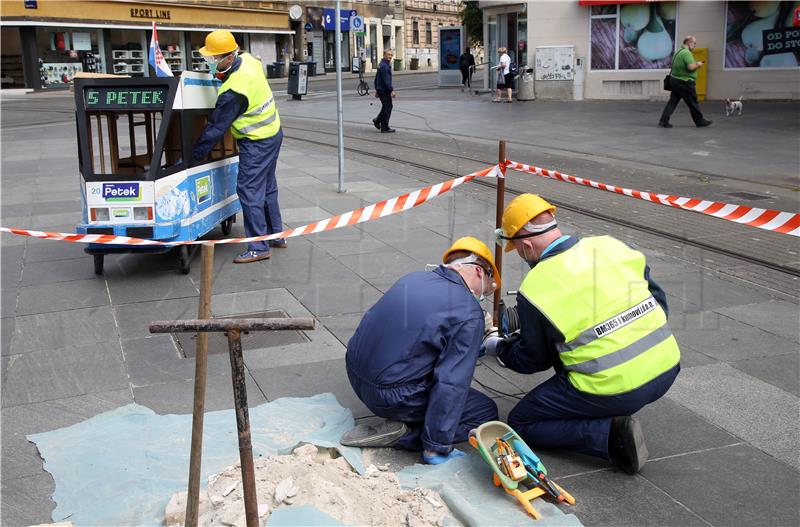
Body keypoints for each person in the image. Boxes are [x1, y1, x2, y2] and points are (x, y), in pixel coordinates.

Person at [484, 194, 681, 474]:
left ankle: (611, 437)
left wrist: (499, 348)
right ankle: (612, 404)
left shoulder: (537, 287)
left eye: (517, 249)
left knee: (521, 421)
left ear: (526, 245)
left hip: (617, 388)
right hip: (668, 365)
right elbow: (658, 300)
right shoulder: (612, 245)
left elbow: (532, 360)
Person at [341, 237, 501, 464]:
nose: (484, 291)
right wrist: (437, 447)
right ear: (478, 271)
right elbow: (451, 383)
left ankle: (413, 422)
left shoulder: (414, 278)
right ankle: (408, 435)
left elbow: (416, 336)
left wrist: (475, 346)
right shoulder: (468, 311)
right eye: (488, 282)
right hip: (390, 394)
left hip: (355, 373)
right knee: (484, 411)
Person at [192, 30, 286, 264]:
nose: (211, 63)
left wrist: (194, 156)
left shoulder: (233, 91)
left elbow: (215, 128)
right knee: (267, 187)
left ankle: (258, 246)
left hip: (257, 141)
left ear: (230, 58)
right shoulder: (249, 60)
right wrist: (222, 75)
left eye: (214, 59)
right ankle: (276, 235)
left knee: (249, 189)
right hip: (273, 132)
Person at [659, 35, 712, 128]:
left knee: (673, 102)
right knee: (693, 102)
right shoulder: (687, 53)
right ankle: (700, 121)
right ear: (689, 42)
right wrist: (698, 64)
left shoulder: (677, 52)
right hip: (685, 82)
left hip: (674, 81)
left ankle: (663, 120)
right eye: (694, 43)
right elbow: (690, 67)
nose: (695, 45)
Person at [372, 49, 396, 133]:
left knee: (387, 106)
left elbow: (377, 78)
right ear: (384, 55)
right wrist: (391, 90)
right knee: (388, 107)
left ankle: (378, 120)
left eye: (391, 55)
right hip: (384, 90)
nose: (390, 56)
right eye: (388, 55)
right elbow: (386, 80)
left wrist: (377, 89)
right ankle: (384, 126)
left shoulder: (381, 64)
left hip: (381, 89)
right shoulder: (384, 66)